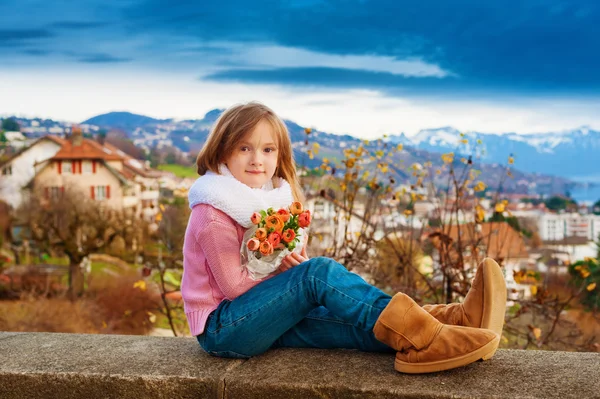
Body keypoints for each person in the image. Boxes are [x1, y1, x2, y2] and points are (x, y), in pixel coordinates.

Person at [182, 102, 507, 374]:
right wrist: (294, 276)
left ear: (278, 156)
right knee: (317, 274)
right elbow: (235, 287)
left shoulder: (276, 202)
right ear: (223, 152)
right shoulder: (214, 211)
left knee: (351, 317)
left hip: (262, 320)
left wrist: (293, 272)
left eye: (268, 149)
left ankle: (454, 323)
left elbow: (289, 272)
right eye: (244, 148)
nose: (257, 159)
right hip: (224, 328)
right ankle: (426, 334)